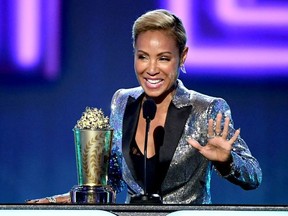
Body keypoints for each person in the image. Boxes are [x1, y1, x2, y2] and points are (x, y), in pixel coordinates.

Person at [27, 9, 262, 204]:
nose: (151, 69)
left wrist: (226, 161)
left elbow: (254, 175)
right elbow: (115, 178)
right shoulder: (122, 101)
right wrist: (69, 198)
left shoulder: (205, 109)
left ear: (183, 56)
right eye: (142, 57)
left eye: (163, 58)